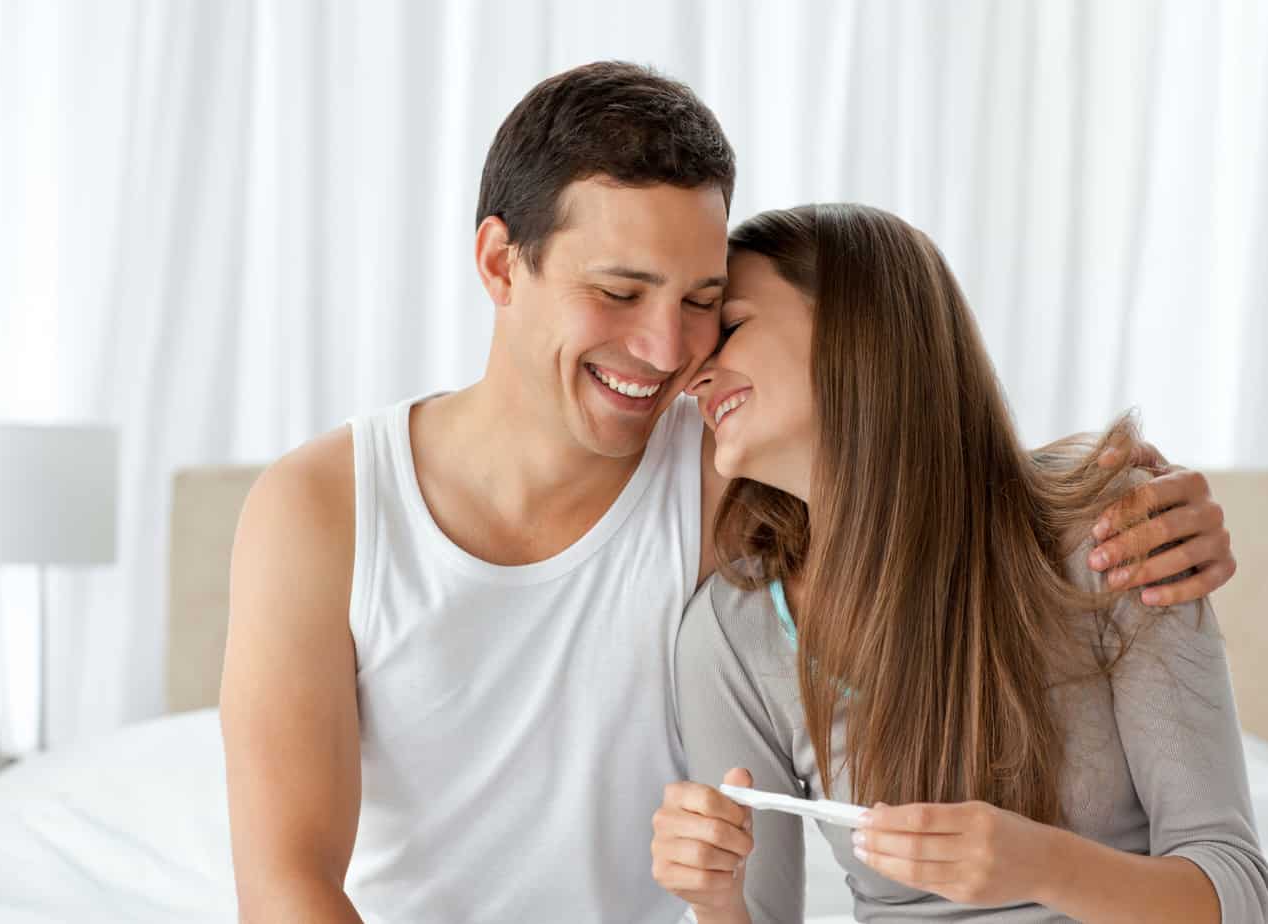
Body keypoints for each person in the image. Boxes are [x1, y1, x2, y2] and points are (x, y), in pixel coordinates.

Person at [220, 62, 1238, 923]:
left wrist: (1110, 492)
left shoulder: (723, 473)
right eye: (618, 292)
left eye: (705, 303)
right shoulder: (324, 512)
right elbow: (286, 882)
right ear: (499, 262)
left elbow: (906, 459)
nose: (670, 352)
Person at [651, 203, 1264, 923]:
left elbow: (1237, 893)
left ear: (857, 326)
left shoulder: (1106, 534)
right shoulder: (729, 637)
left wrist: (1043, 866)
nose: (693, 378)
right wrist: (717, 900)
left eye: (730, 329)